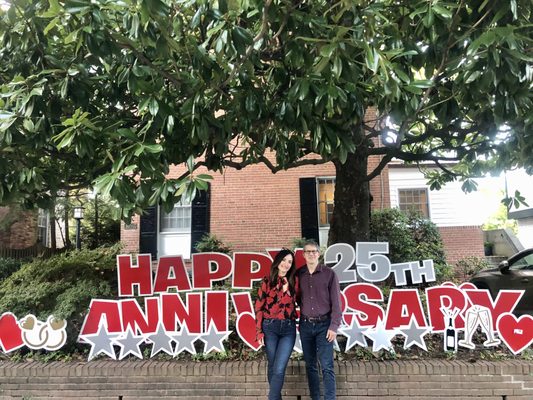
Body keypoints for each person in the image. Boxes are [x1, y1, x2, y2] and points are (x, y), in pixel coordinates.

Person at [297, 239, 341, 400]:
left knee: (327, 366)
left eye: (314, 251)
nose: (311, 254)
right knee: (310, 366)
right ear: (303, 255)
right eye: (308, 252)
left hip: (325, 326)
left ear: (319, 253)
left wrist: (334, 326)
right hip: (306, 325)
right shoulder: (299, 274)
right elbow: (296, 298)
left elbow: (337, 302)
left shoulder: (329, 274)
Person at [254, 248, 298, 400]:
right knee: (273, 367)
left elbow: (303, 302)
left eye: (290, 262)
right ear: (278, 262)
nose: (286, 264)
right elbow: (259, 307)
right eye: (284, 260)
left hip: (288, 329)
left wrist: (289, 290)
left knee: (279, 369)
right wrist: (259, 331)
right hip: (270, 328)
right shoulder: (267, 281)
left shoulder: (294, 282)